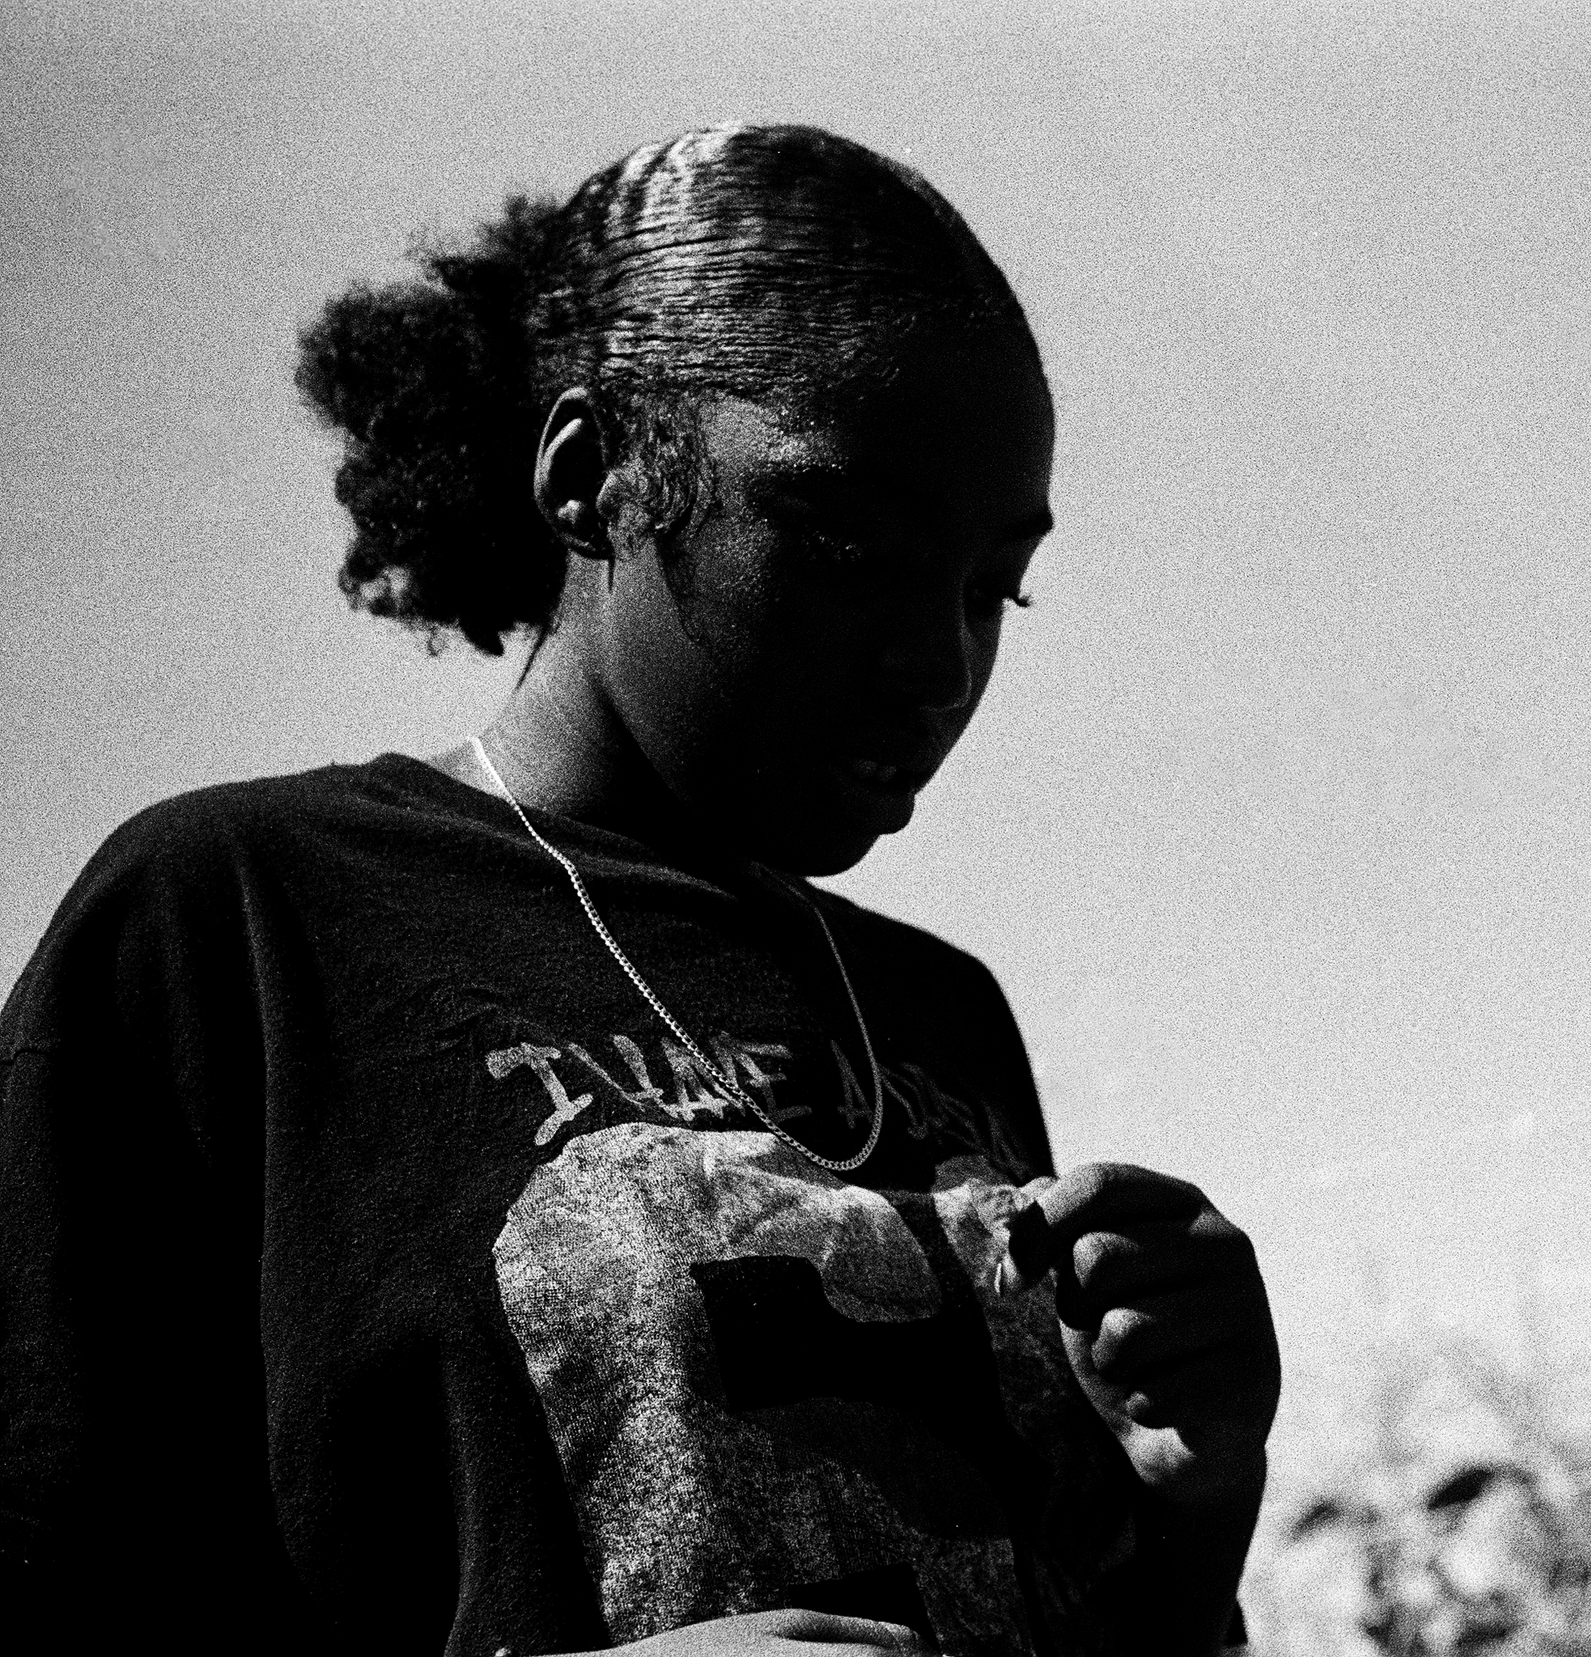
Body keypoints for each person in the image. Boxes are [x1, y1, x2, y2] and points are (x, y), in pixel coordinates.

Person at [0, 123, 1279, 1657]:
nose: (940, 661)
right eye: (846, 540)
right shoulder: (237, 920)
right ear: (593, 474)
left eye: (992, 583)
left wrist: (1191, 1505)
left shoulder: (941, 1017)